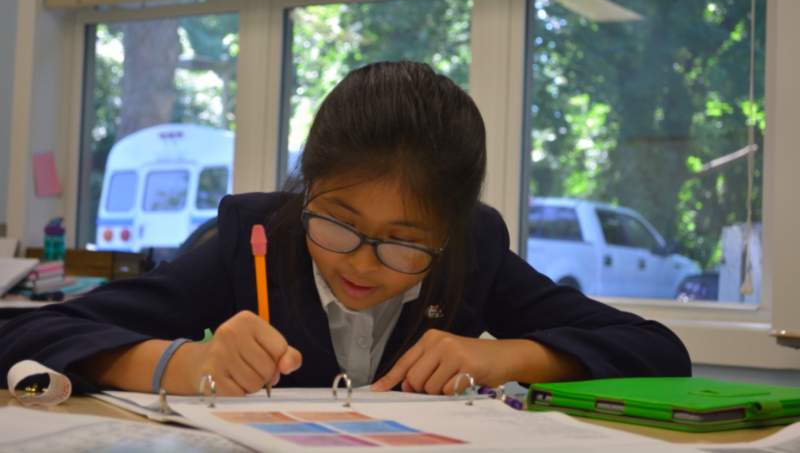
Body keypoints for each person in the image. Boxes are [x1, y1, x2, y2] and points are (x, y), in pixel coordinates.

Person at [0, 61, 691, 396]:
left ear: (447, 232)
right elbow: (26, 333)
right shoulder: (254, 239)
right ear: (308, 189)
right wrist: (180, 362)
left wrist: (507, 358)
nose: (361, 263)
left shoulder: (473, 253)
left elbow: (657, 351)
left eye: (404, 240)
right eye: (337, 222)